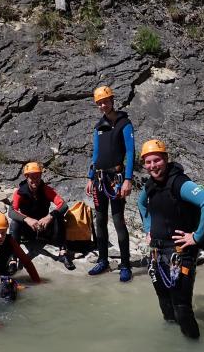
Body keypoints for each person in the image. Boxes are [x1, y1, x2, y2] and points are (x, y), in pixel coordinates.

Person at [137, 139, 204, 339]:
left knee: (182, 308)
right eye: (148, 162)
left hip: (180, 252)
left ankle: (193, 344)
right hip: (157, 252)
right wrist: (148, 229)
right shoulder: (149, 186)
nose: (153, 166)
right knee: (165, 303)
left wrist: (197, 236)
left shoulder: (179, 183)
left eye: (156, 160)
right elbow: (141, 204)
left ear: (165, 159)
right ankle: (171, 342)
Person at [84, 85, 135, 282]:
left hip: (116, 179)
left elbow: (130, 152)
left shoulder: (124, 123)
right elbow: (95, 154)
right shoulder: (99, 126)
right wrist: (89, 177)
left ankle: (125, 264)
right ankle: (103, 260)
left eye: (105, 101)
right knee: (99, 220)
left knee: (118, 220)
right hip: (99, 178)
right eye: (99, 103)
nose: (103, 105)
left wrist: (128, 179)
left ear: (112, 100)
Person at [8, 162, 74, 270]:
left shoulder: (46, 189)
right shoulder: (19, 192)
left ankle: (63, 253)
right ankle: (13, 259)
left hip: (45, 229)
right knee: (15, 223)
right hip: (28, 230)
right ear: (26, 177)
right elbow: (11, 212)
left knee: (58, 216)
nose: (35, 180)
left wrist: (50, 216)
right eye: (32, 177)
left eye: (37, 176)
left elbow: (63, 205)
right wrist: (27, 219)